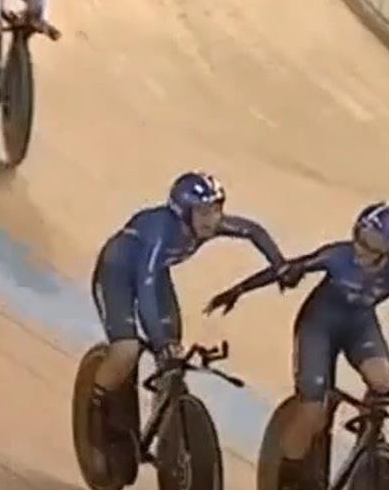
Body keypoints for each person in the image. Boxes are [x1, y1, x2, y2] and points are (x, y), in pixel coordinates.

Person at [208, 201, 389, 490]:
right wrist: (239, 289)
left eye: (374, 244)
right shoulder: (338, 256)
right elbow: (287, 269)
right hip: (318, 325)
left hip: (359, 326)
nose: (362, 247)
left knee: (382, 382)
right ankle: (285, 483)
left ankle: (367, 447)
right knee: (313, 410)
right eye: (362, 235)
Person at [87, 173, 287, 410]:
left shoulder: (206, 225)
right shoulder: (161, 234)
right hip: (116, 273)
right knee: (127, 350)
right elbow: (146, 289)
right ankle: (93, 407)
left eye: (216, 210)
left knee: (172, 354)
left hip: (153, 272)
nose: (213, 220)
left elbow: (253, 231)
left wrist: (280, 264)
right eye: (204, 213)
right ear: (183, 214)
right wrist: (160, 341)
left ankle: (163, 417)